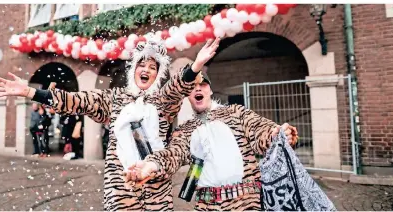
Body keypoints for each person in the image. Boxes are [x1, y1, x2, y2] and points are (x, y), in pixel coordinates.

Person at [0, 36, 220, 211]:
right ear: (134, 69)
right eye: (142, 65)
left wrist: (196, 65)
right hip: (121, 188)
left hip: (156, 188)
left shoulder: (162, 101)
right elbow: (76, 101)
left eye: (153, 67)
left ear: (157, 75)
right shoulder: (115, 98)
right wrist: (30, 92)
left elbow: (177, 87)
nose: (146, 70)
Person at [123, 73, 299, 211]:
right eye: (192, 86)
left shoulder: (235, 113)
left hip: (246, 203)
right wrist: (150, 165)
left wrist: (278, 134)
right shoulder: (185, 130)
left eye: (203, 85)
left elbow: (259, 130)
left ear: (210, 91)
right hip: (207, 205)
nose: (198, 89)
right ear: (187, 95)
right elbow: (172, 154)